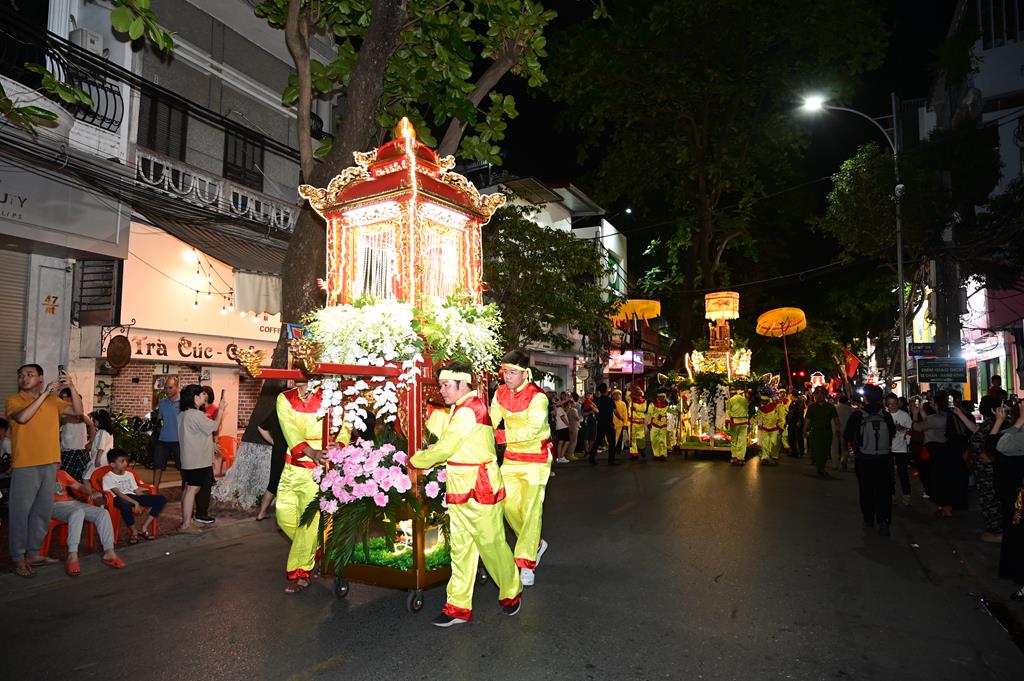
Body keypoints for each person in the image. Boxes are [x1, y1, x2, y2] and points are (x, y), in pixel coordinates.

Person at [410, 364, 523, 627]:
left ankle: (511, 591)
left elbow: (446, 448)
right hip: (461, 486)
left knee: (492, 545)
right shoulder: (462, 408)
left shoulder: (468, 410)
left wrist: (414, 460)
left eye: (446, 385)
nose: (441, 390)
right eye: (440, 385)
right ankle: (458, 606)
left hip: (479, 488)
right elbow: (456, 448)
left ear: (463, 384)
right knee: (461, 549)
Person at [6, 364, 84, 578]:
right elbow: (23, 418)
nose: (24, 378)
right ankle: (18, 558)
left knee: (42, 512)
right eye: (21, 375)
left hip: (50, 463)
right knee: (20, 513)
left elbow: (78, 412)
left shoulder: (53, 401)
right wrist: (44, 395)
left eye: (29, 374)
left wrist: (72, 387)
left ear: (40, 378)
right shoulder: (14, 401)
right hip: (25, 465)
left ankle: (33, 554)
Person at [490, 350, 551, 587]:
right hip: (512, 458)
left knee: (531, 509)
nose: (507, 376)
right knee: (507, 506)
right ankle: (535, 544)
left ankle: (526, 562)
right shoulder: (500, 393)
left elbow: (532, 430)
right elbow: (491, 420)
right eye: (505, 371)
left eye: (513, 372)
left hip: (536, 458)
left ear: (526, 373)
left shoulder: (538, 398)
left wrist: (500, 436)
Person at [275, 380, 328, 594]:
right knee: (284, 517)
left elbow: (345, 425)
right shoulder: (285, 398)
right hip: (291, 469)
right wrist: (310, 452)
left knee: (308, 523)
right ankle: (318, 548)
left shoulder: (330, 395)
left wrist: (339, 444)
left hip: (316, 472)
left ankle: (300, 572)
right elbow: (290, 431)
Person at [51, 467, 125, 575]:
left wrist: (91, 492)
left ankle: (109, 552)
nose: (59, 464)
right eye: (56, 462)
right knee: (77, 513)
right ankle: (72, 555)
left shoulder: (62, 473)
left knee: (102, 513)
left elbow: (79, 486)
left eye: (59, 462)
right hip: (53, 506)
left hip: (71, 503)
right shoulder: (40, 474)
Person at [845, 385, 897, 536]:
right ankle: (884, 519)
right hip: (884, 459)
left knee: (866, 489)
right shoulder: (886, 415)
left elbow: (847, 435)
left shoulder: (858, 415)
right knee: (884, 490)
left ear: (865, 398)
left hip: (864, 459)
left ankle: (869, 518)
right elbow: (892, 433)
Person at [953, 395, 1003, 542]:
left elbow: (994, 444)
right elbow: (975, 429)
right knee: (987, 500)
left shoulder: (997, 424)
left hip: (990, 472)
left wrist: (991, 457)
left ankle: (998, 532)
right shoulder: (989, 423)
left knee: (992, 501)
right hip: (982, 471)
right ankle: (995, 529)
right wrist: (960, 414)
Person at [177, 384, 226, 532]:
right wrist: (221, 409)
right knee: (192, 489)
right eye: (202, 394)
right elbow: (214, 427)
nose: (204, 397)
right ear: (195, 398)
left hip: (190, 458)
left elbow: (197, 435)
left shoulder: (183, 414)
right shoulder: (195, 414)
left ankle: (187, 520)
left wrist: (211, 445)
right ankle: (186, 525)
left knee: (189, 489)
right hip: (197, 460)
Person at [911, 391, 967, 518]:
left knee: (939, 481)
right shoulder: (952, 416)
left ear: (937, 404)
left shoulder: (935, 419)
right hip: (953, 453)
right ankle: (949, 507)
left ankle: (945, 509)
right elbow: (928, 422)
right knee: (950, 480)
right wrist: (921, 411)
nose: (930, 403)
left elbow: (918, 427)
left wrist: (914, 415)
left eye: (932, 401)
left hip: (937, 454)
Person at [991, 404, 1024, 600]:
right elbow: (992, 444)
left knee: (1018, 534)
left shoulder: (1018, 434)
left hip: (1019, 494)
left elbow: (1000, 446)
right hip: (1014, 492)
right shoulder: (1015, 432)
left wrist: (1020, 419)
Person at [102, 448, 167, 542]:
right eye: (122, 461)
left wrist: (146, 501)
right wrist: (136, 503)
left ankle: (144, 528)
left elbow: (137, 491)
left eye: (126, 461)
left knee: (161, 499)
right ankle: (134, 532)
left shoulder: (129, 474)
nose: (125, 463)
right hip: (117, 499)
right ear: (112, 464)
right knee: (125, 506)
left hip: (132, 497)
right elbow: (119, 494)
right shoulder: (108, 477)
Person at [58, 388, 95, 482]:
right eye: (62, 397)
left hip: (81, 450)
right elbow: (56, 431)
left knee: (83, 477)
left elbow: (92, 425)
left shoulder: (80, 415)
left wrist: (91, 442)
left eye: (66, 397)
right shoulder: (62, 414)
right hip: (67, 450)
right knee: (67, 478)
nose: (64, 400)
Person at [884, 393, 913, 506]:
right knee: (889, 473)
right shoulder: (884, 415)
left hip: (901, 448)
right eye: (890, 404)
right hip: (887, 448)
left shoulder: (904, 415)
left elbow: (911, 429)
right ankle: (891, 495)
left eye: (895, 404)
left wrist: (902, 428)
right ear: (886, 404)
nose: (892, 406)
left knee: (903, 473)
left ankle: (907, 495)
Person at [153, 376, 181, 490]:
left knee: (182, 467)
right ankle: (154, 490)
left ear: (177, 387)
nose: (167, 390)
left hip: (179, 440)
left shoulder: (183, 403)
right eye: (166, 388)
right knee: (158, 466)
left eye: (170, 388)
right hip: (163, 439)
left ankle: (186, 491)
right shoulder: (162, 403)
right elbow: (160, 418)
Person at [804, 388, 839, 478]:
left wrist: (838, 429)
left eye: (821, 394)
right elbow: (807, 419)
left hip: (827, 432)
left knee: (825, 450)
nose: (819, 396)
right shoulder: (811, 407)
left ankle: (821, 468)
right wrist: (804, 430)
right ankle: (820, 468)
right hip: (815, 432)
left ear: (825, 395)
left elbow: (836, 419)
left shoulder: (830, 407)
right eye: (817, 394)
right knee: (817, 450)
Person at [588, 383, 618, 465]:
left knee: (598, 441)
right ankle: (611, 460)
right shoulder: (610, 400)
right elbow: (615, 411)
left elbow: (594, 410)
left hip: (600, 423)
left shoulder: (597, 400)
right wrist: (621, 418)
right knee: (612, 442)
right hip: (609, 423)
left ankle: (592, 456)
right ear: (606, 390)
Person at [84, 410, 115, 482]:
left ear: (100, 420)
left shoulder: (102, 432)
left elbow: (101, 447)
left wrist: (97, 459)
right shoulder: (109, 432)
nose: (93, 422)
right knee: (101, 478)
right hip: (106, 459)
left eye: (94, 420)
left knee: (85, 478)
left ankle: (88, 489)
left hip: (99, 459)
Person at [754, 395, 784, 465]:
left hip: (775, 428)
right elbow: (759, 417)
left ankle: (774, 457)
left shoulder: (776, 406)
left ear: (768, 400)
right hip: (765, 428)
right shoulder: (761, 408)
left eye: (764, 401)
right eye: (762, 401)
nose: (763, 402)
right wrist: (759, 424)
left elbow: (781, 417)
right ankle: (765, 458)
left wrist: (781, 426)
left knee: (774, 443)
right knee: (765, 444)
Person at [725, 388, 752, 466]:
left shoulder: (730, 400)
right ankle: (741, 458)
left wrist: (727, 420)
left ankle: (734, 457)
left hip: (735, 423)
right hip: (744, 422)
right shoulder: (745, 400)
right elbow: (749, 406)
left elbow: (728, 411)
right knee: (742, 441)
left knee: (734, 440)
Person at [646, 391, 670, 461]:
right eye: (660, 397)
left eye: (663, 397)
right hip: (654, 424)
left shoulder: (667, 405)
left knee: (663, 440)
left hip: (664, 424)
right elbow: (649, 414)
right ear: (657, 397)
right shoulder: (652, 404)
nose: (662, 398)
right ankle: (656, 454)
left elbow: (670, 414)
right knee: (654, 440)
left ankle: (663, 454)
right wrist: (649, 423)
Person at [627, 386, 648, 461]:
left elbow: (644, 409)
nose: (637, 396)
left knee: (641, 438)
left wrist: (636, 409)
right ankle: (634, 454)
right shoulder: (631, 400)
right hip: (632, 422)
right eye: (635, 394)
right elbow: (627, 396)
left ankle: (641, 448)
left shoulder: (644, 401)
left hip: (640, 422)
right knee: (632, 438)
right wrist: (630, 389)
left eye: (638, 394)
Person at [834, 394, 854, 471]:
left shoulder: (834, 408)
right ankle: (843, 459)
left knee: (834, 446)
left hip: (834, 428)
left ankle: (835, 464)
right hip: (845, 430)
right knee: (844, 447)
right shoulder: (850, 409)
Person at [553, 398, 571, 463]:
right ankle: (561, 457)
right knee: (566, 442)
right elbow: (562, 418)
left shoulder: (558, 409)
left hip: (559, 427)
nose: (562, 402)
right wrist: (568, 425)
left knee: (561, 442)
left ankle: (560, 457)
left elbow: (564, 415)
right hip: (563, 427)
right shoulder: (559, 409)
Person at [564, 394, 581, 460]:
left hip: (570, 426)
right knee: (574, 441)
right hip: (575, 426)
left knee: (570, 441)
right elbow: (577, 418)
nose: (575, 404)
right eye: (573, 403)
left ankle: (568, 454)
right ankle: (571, 454)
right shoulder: (574, 410)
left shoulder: (567, 410)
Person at [611, 389, 629, 454]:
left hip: (621, 423)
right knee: (613, 437)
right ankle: (613, 449)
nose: (617, 396)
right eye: (615, 394)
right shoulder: (612, 402)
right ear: (613, 396)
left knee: (620, 438)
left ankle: (618, 450)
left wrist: (625, 423)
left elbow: (625, 413)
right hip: (613, 422)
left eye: (618, 394)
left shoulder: (623, 403)